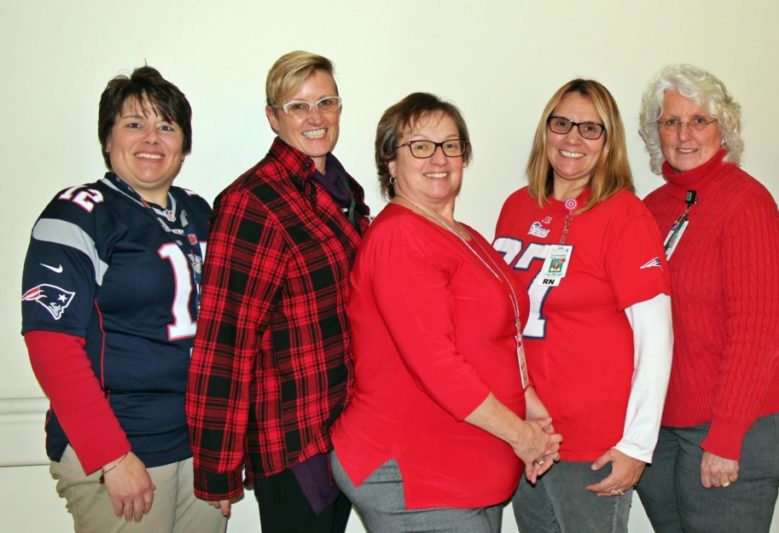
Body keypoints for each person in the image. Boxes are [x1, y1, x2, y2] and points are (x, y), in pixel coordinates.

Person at [329, 92, 561, 533]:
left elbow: (498, 335)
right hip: (414, 473)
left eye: (450, 145)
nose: (438, 158)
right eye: (419, 146)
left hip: (465, 469)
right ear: (391, 164)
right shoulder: (400, 239)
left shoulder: (463, 234)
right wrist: (520, 436)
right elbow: (438, 366)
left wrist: (529, 405)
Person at [20, 66, 225, 533]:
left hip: (197, 447)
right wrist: (110, 455)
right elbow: (51, 343)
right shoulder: (79, 213)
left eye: (166, 126)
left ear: (183, 145)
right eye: (134, 123)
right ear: (108, 138)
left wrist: (224, 443)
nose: (152, 138)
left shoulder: (200, 213)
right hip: (123, 447)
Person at [186, 51, 369, 532]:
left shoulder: (342, 190)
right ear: (273, 117)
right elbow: (225, 340)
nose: (316, 118)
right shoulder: (253, 202)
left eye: (326, 102)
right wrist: (217, 469)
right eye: (298, 106)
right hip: (291, 440)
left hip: (344, 429)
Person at [634, 64, 779, 532]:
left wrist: (726, 437)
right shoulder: (651, 208)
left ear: (723, 128)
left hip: (741, 424)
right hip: (668, 424)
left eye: (699, 120)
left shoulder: (747, 205)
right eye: (671, 122)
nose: (684, 134)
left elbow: (759, 334)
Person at [493, 79, 673, 532]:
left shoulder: (624, 216)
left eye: (590, 129)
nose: (572, 139)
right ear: (546, 131)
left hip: (592, 445)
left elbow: (657, 338)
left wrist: (637, 445)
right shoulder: (516, 207)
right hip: (526, 435)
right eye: (562, 124)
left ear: (608, 142)